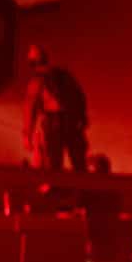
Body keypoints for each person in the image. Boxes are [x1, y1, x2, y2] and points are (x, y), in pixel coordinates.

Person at [24, 44, 89, 172]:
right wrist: (82, 118)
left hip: (53, 123)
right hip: (72, 122)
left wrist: (27, 135)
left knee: (53, 165)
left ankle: (55, 190)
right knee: (79, 164)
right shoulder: (64, 75)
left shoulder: (37, 80)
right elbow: (80, 96)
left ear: (32, 63)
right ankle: (84, 189)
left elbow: (30, 109)